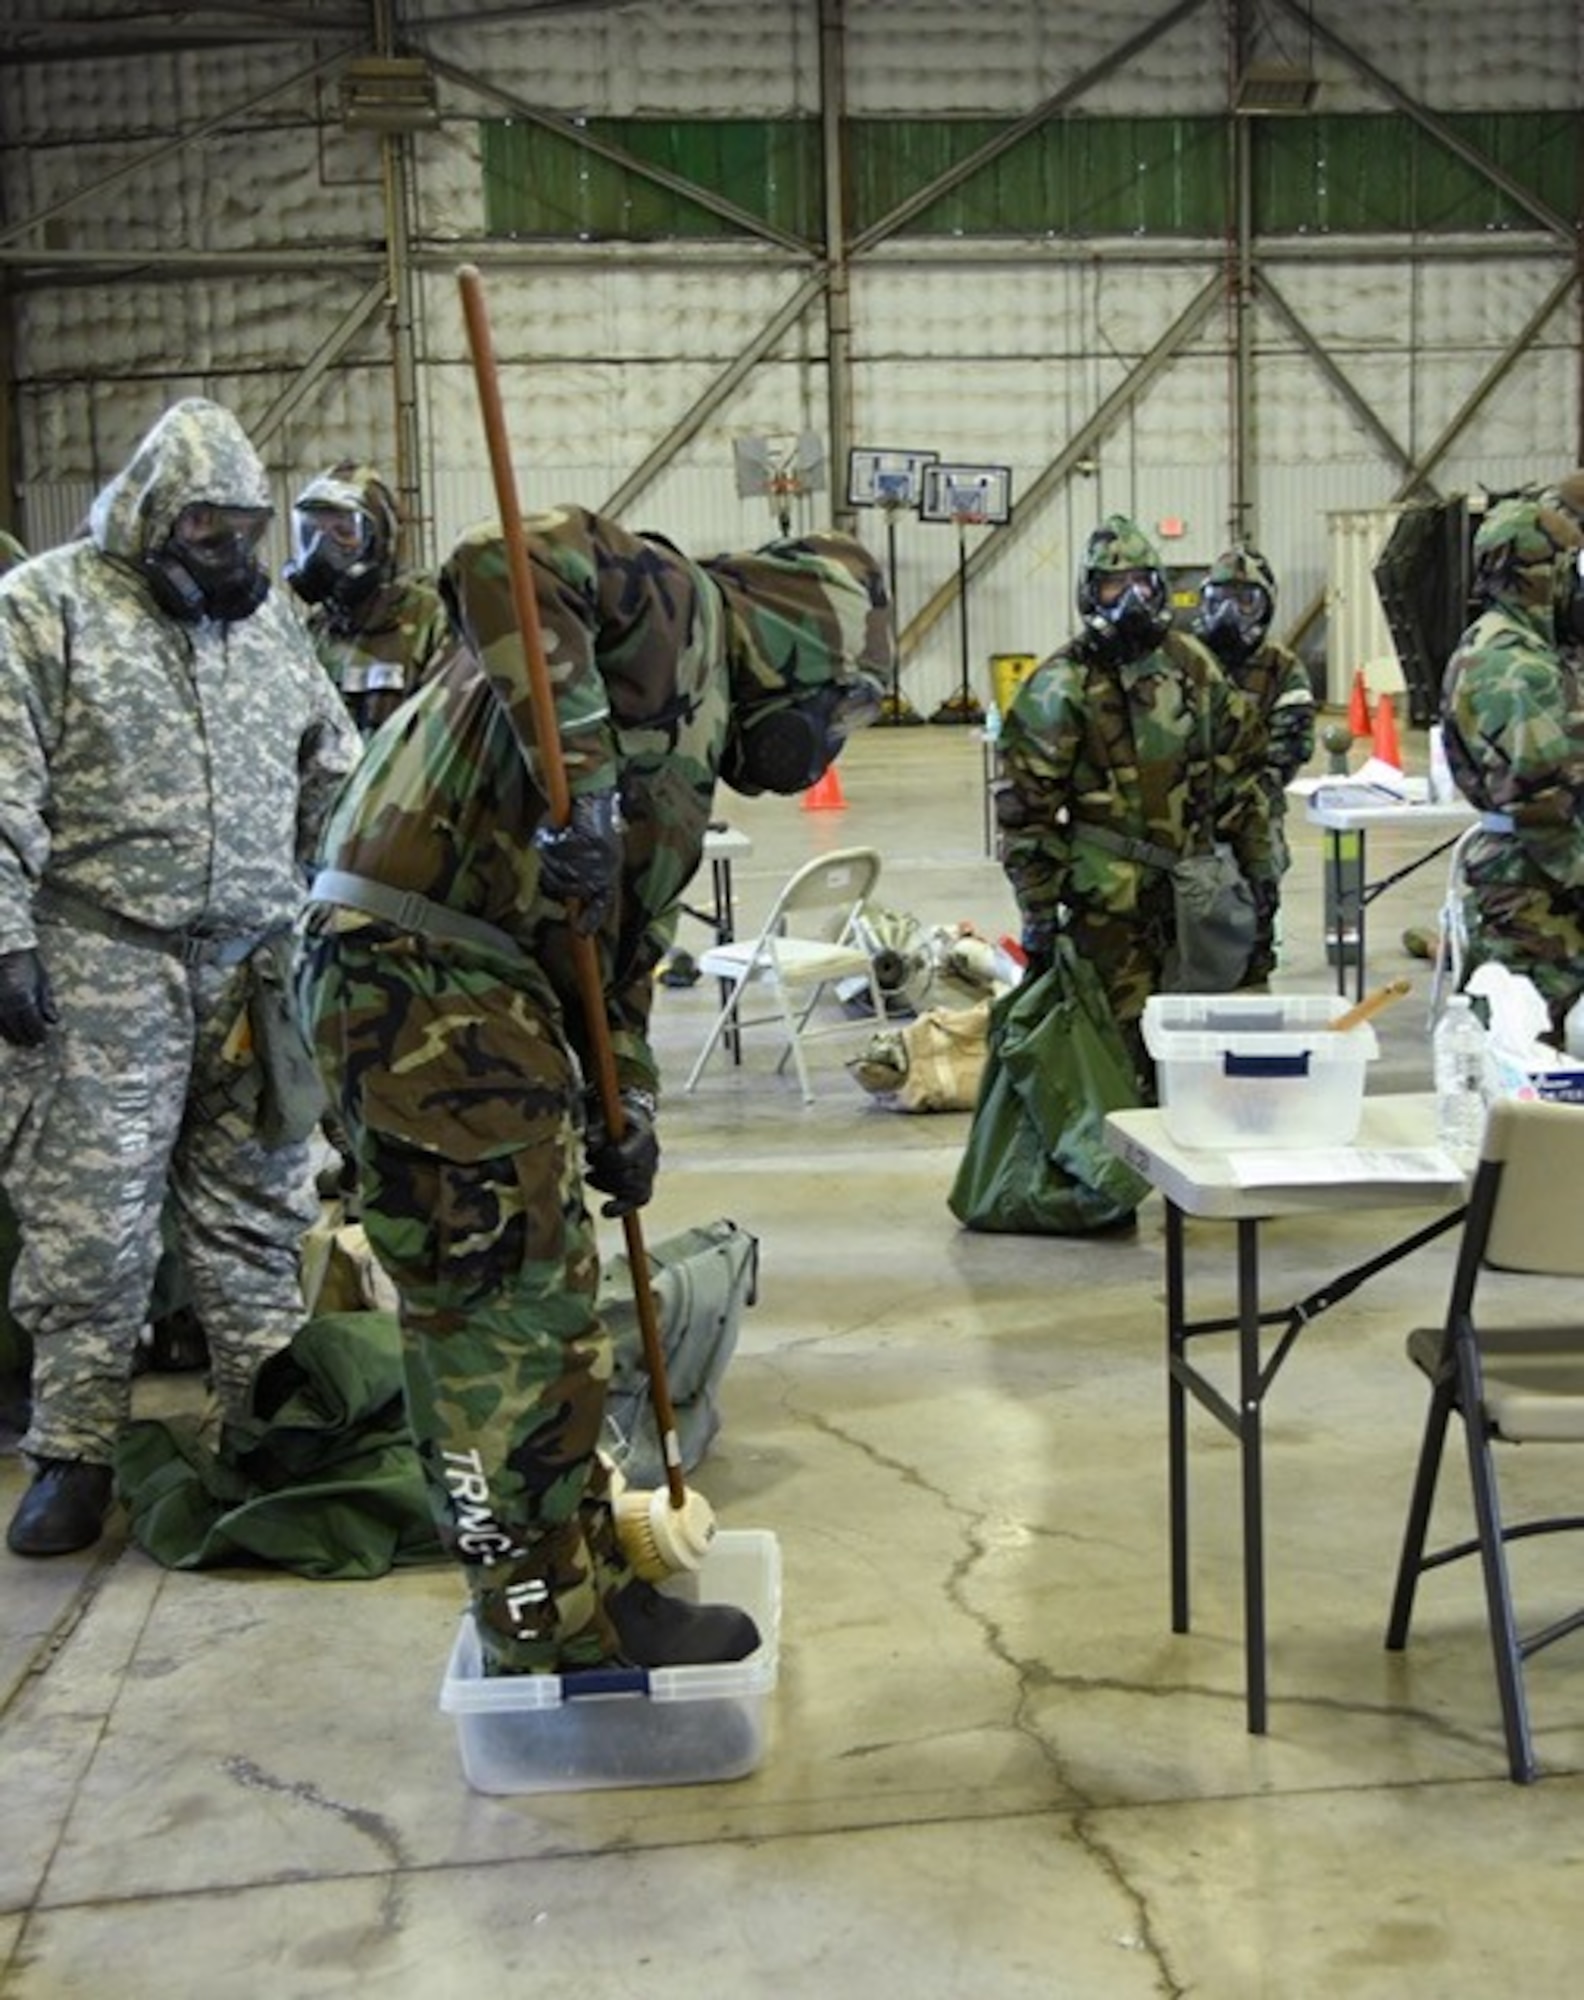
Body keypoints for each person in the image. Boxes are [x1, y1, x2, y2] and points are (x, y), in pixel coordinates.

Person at [294, 502, 890, 1675]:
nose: (831, 745)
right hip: (422, 969)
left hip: (478, 983)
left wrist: (634, 1109)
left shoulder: (698, 736)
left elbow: (612, 960)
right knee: (496, 1322)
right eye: (847, 707)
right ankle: (539, 1627)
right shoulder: (677, 606)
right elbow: (499, 565)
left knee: (557, 1310)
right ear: (809, 653)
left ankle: (588, 1586)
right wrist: (592, 784)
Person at [0, 398, 362, 1556]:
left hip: (253, 967)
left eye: (247, 529)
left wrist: (336, 919)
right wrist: (4, 938)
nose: (235, 554)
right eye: (209, 530)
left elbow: (331, 773)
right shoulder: (45, 607)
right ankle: (74, 1450)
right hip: (102, 958)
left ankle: (260, 1422)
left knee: (257, 1204)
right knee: (92, 1226)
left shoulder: (267, 630)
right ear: (155, 515)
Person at [995, 513, 1275, 1094]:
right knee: (1116, 1058)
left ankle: (1194, 1174)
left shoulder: (1195, 667)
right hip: (1109, 907)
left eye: (1143, 585)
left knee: (1208, 1048)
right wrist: (1039, 915)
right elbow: (1027, 815)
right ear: (1087, 593)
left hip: (1199, 897)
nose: (1130, 601)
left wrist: (1260, 873)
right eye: (1111, 587)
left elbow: (1240, 780)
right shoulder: (1061, 684)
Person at [1439, 496, 1584, 1040]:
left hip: (1533, 885)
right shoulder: (1515, 667)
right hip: (1534, 902)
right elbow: (1545, 807)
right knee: (1530, 1062)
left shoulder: (1526, 651)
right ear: (1538, 577)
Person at [1192, 545, 1316, 981]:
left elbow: (1293, 744)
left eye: (1245, 600)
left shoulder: (1282, 667)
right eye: (1218, 598)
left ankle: (1253, 974)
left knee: (1257, 903)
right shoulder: (1184, 658)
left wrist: (1241, 791)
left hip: (1255, 810)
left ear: (1265, 606)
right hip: (1187, 810)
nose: (1229, 612)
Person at [285, 461, 452, 736]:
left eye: (344, 533)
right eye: (310, 532)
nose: (321, 550)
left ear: (380, 540)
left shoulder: (432, 620)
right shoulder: (313, 636)